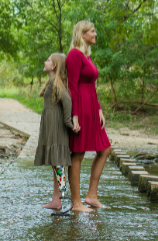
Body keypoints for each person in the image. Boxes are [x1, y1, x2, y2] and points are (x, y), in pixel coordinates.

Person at [66, 20, 113, 213]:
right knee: (78, 153)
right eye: (92, 31)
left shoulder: (87, 55)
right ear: (82, 34)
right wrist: (75, 116)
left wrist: (99, 109)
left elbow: (91, 85)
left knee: (105, 149)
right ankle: (77, 204)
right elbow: (72, 86)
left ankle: (91, 196)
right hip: (81, 107)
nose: (95, 34)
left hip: (92, 107)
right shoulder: (74, 54)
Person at [35, 52, 77, 210]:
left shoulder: (55, 82)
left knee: (58, 163)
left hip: (56, 128)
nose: (45, 62)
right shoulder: (52, 81)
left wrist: (68, 122)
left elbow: (67, 100)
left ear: (54, 66)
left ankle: (62, 195)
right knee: (55, 162)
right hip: (51, 127)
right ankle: (56, 199)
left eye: (48, 60)